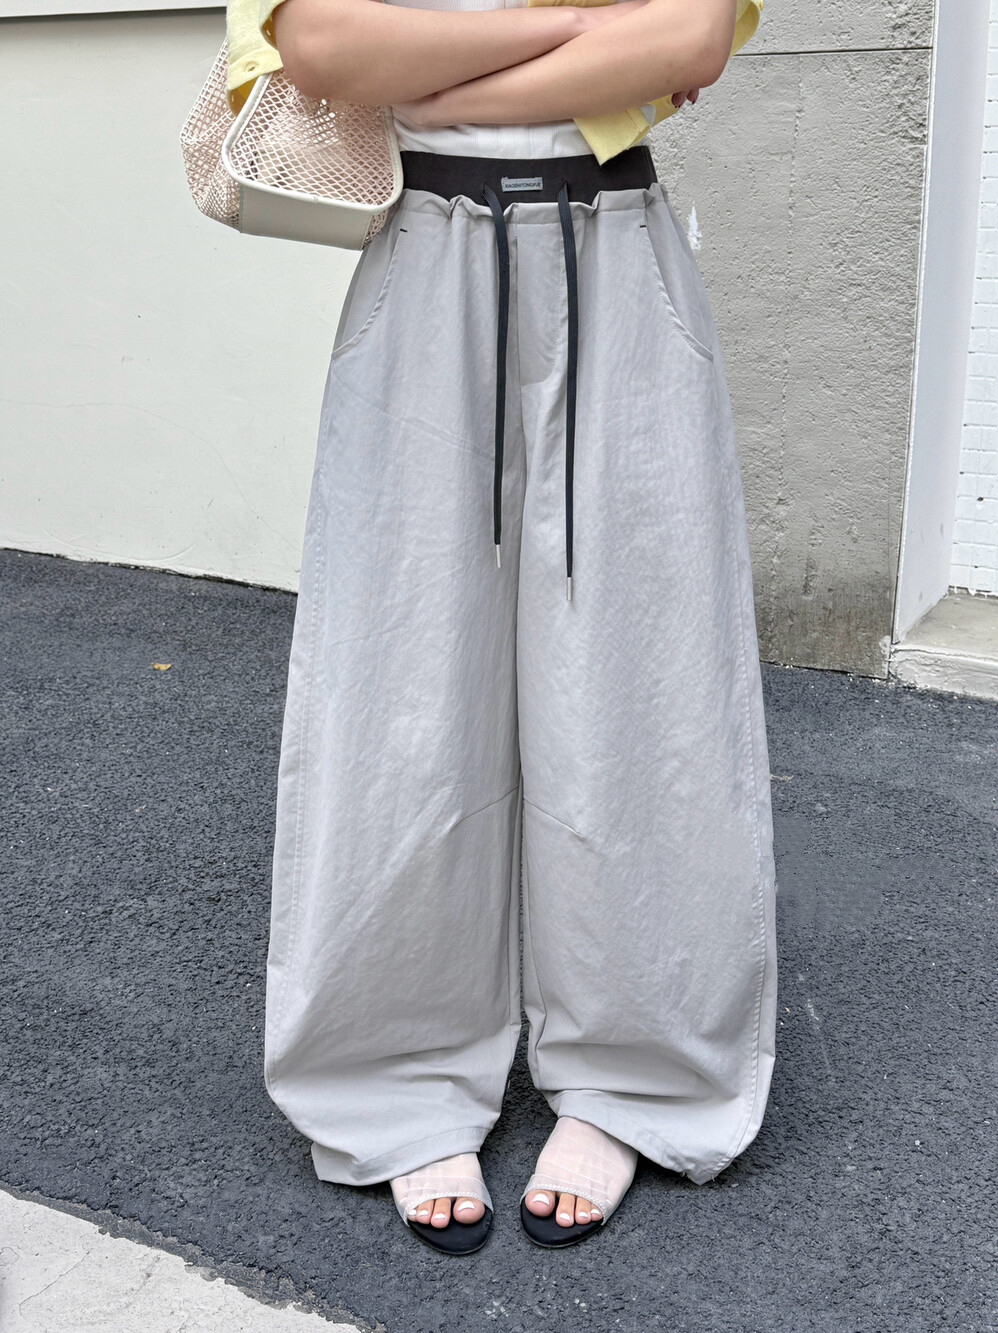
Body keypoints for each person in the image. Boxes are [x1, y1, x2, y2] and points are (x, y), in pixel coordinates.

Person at [227, 0, 777, 1254]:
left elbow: (688, 40)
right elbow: (324, 52)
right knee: (401, 692)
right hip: (424, 256)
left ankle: (635, 1076)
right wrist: (580, 35)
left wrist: (435, 77)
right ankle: (394, 1070)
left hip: (617, 250)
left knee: (638, 687)